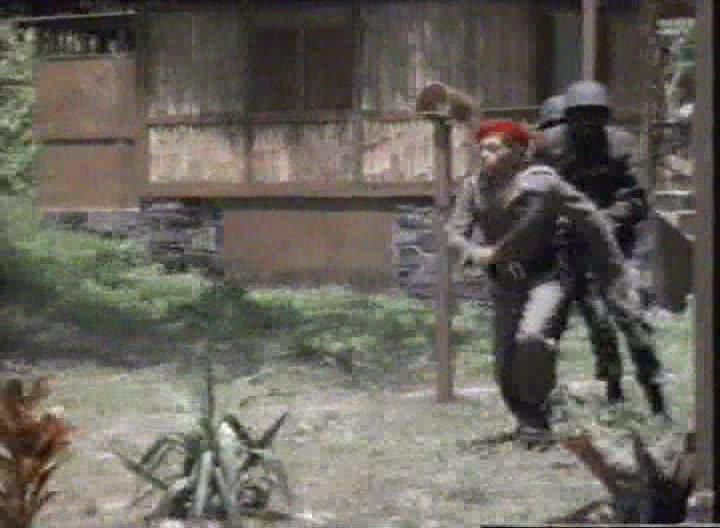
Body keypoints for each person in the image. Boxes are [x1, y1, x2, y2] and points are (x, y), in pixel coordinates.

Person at [447, 119, 629, 444]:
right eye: (482, 149)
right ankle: (528, 421)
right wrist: (474, 252)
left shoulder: (544, 183)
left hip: (546, 277)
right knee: (504, 363)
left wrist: (612, 266)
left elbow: (590, 217)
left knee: (532, 338)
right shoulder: (474, 187)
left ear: (518, 151)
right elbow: (454, 233)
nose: (484, 154)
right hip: (505, 282)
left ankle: (540, 412)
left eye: (493, 148)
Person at [536, 81, 669, 417]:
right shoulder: (548, 146)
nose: (586, 125)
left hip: (615, 247)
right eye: (579, 117)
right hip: (566, 247)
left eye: (594, 116)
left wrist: (604, 219)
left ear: (605, 117)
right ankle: (603, 390)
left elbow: (638, 198)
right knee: (583, 322)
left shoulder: (621, 145)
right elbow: (533, 193)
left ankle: (656, 397)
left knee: (633, 320)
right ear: (567, 118)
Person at [537, 93, 625, 406]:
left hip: (588, 253)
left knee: (600, 319)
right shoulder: (540, 163)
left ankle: (612, 386)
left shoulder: (598, 161)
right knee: (547, 324)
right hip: (553, 255)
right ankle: (541, 390)